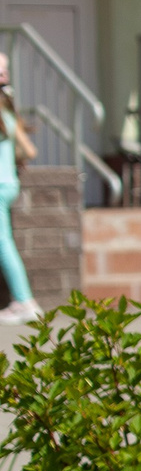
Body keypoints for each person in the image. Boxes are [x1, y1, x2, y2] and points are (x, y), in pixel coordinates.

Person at [0, 53, 37, 322]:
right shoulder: (8, 115)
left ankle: (24, 301)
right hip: (9, 182)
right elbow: (30, 151)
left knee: (3, 244)